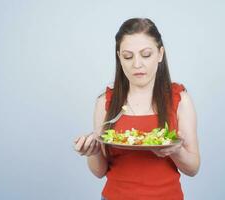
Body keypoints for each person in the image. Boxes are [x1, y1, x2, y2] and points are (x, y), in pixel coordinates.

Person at [74, 18, 200, 200]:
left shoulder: (180, 99)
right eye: (128, 56)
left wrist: (175, 150)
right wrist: (92, 152)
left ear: (160, 54)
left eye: (146, 54)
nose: (137, 64)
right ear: (119, 57)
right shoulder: (105, 102)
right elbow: (99, 172)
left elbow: (193, 168)